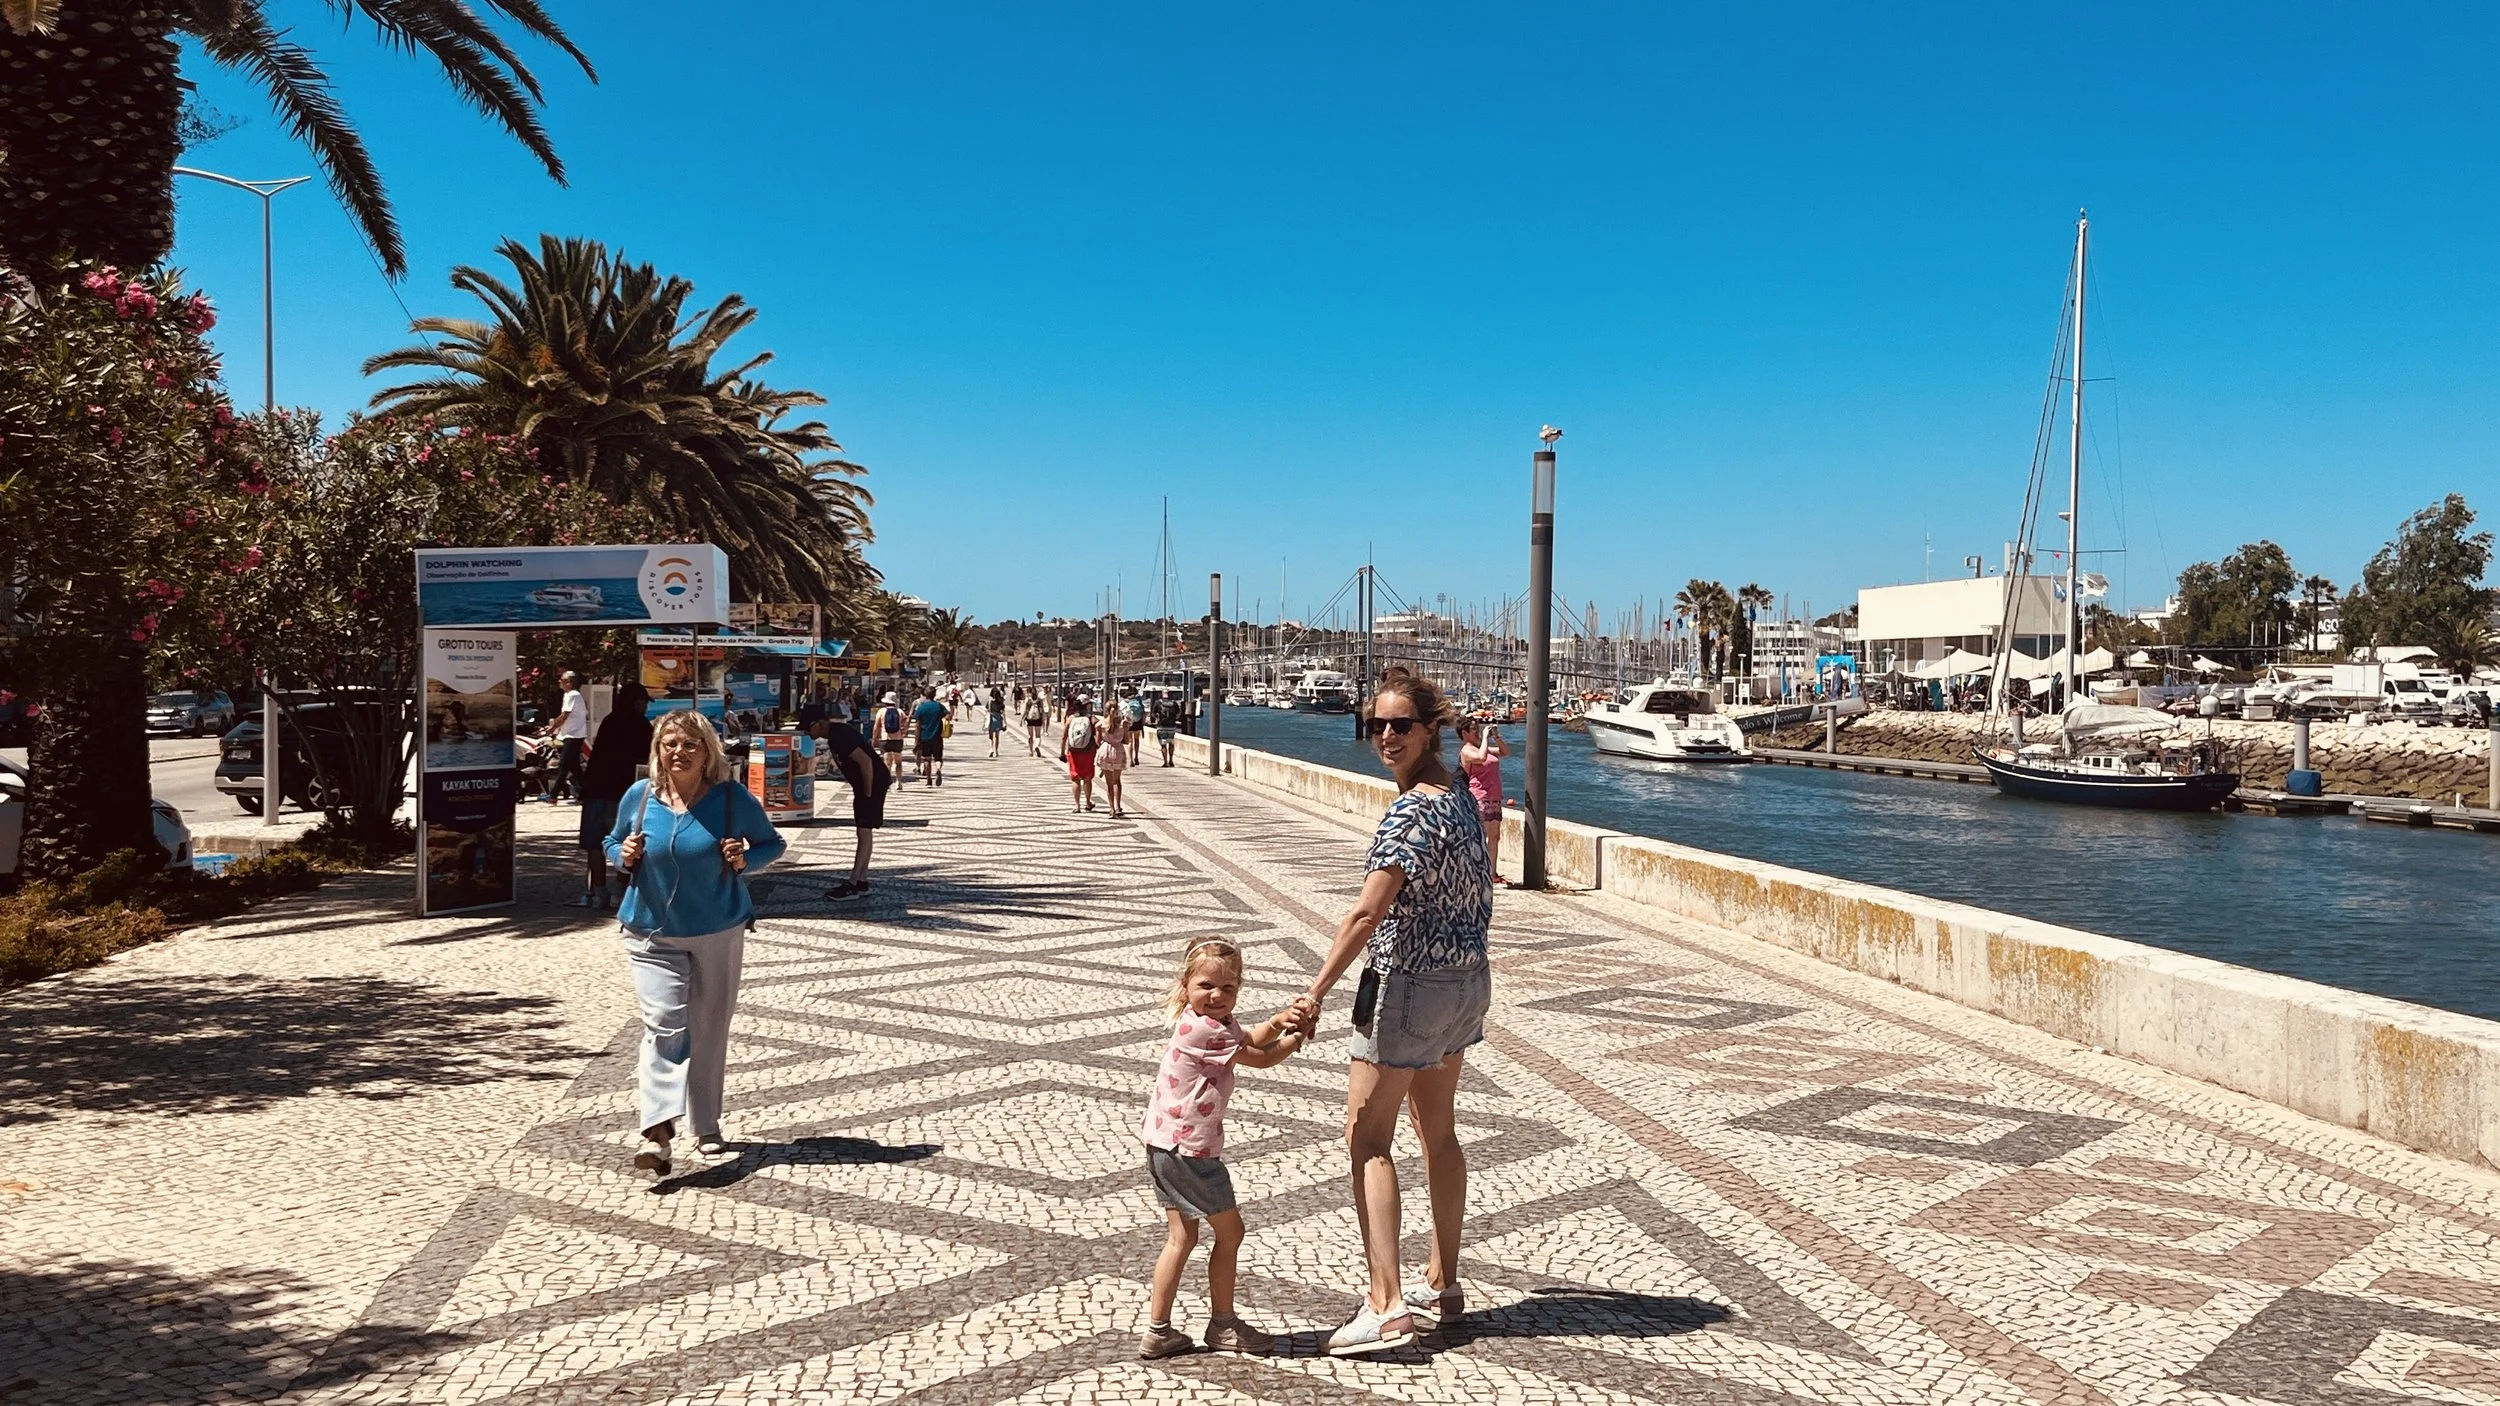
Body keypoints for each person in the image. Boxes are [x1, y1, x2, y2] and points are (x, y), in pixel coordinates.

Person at [1287, 669, 1494, 1356]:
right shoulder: (1461, 797)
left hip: (1408, 985)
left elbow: (1367, 911)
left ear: (1430, 726)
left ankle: (1386, 1305)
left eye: (1400, 724)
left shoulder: (1409, 812)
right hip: (1465, 983)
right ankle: (1445, 1282)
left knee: (1367, 1138)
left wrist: (1313, 992)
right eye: (1375, 725)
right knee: (1438, 1131)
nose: (1384, 736)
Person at [606, 711, 788, 1177]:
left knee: (709, 1026)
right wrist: (620, 854)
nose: (679, 752)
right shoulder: (641, 796)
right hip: (650, 930)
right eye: (670, 744)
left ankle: (705, 1123)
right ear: (658, 750)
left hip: (717, 927)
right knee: (665, 1023)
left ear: (708, 752)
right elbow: (610, 840)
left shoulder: (730, 799)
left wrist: (746, 858)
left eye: (690, 744)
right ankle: (658, 1129)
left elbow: (772, 843)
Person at [1137, 939, 1309, 1359]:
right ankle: (1223, 1324)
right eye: (1206, 986)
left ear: (1238, 989)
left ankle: (1159, 1330)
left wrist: (1279, 1020)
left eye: (1228, 988)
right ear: (1185, 985)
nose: (1216, 996)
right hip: (1190, 1152)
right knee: (1232, 1234)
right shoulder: (1204, 1029)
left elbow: (1248, 1036)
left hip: (1165, 1144)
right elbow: (1259, 1056)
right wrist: (1295, 1037)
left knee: (1181, 1238)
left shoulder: (1210, 1020)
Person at [572, 682, 653, 910]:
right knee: (628, 843)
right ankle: (621, 890)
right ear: (636, 701)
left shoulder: (609, 721)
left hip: (596, 789)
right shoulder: (641, 725)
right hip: (624, 794)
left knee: (595, 844)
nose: (646, 706)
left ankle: (599, 892)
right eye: (644, 701)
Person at [818, 710, 891, 901]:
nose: (807, 732)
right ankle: (862, 881)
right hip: (869, 784)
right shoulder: (835, 733)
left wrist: (866, 792)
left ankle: (852, 884)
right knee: (864, 833)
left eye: (809, 726)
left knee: (863, 832)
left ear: (820, 723)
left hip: (873, 783)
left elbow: (865, 762)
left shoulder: (838, 735)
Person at [1456, 717, 1509, 886]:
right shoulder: (1467, 751)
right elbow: (1480, 757)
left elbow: (1504, 752)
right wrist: (1485, 738)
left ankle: (1491, 873)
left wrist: (1496, 737)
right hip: (1479, 798)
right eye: (1473, 729)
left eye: (1478, 728)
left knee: (1494, 837)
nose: (1477, 732)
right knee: (1480, 837)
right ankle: (1476, 871)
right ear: (1464, 733)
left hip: (1494, 797)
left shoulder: (1483, 747)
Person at [544, 670, 588, 802]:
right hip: (572, 734)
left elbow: (565, 715)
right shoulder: (570, 695)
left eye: (562, 680)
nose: (559, 682)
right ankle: (585, 795)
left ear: (569, 682)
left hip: (573, 736)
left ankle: (553, 796)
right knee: (575, 768)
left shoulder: (572, 695)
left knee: (563, 765)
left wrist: (552, 729)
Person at [1062, 697, 1101, 812]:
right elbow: (1101, 727)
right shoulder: (1091, 718)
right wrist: (1098, 743)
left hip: (1073, 751)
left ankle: (1077, 805)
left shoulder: (1071, 718)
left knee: (1075, 778)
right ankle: (1088, 802)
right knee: (1087, 778)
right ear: (1087, 705)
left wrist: (1062, 752)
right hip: (1088, 751)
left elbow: (1064, 736)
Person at [1097, 705, 1130, 818]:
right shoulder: (1122, 725)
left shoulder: (1101, 724)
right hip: (1118, 752)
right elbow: (1126, 741)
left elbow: (1098, 741)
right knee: (1117, 781)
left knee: (1109, 783)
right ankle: (1118, 806)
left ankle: (1111, 809)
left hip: (1105, 751)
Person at [912, 686, 949, 786]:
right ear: (934, 695)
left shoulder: (921, 707)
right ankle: (938, 769)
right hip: (937, 736)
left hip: (925, 737)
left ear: (925, 695)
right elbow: (948, 715)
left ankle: (929, 780)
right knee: (938, 758)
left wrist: (916, 739)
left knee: (927, 759)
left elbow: (917, 725)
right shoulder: (939, 706)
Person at [873, 690, 908, 779]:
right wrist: (903, 734)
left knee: (887, 762)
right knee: (898, 762)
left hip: (885, 739)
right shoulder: (900, 711)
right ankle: (899, 782)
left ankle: (886, 781)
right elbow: (905, 725)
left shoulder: (881, 711)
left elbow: (876, 727)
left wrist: (875, 739)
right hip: (898, 740)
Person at [1122, 690, 1147, 766]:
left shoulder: (1127, 702)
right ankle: (1136, 757)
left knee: (1130, 741)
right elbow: (1144, 714)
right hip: (1138, 723)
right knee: (1136, 740)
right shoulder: (1139, 702)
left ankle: (1131, 760)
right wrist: (1142, 723)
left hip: (1129, 723)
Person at [1152, 693, 1179, 766]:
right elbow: (1178, 714)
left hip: (1161, 726)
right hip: (1172, 726)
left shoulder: (1158, 703)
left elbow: (1153, 714)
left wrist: (1157, 719)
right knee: (1171, 743)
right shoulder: (1174, 703)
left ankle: (1165, 762)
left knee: (1163, 745)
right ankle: (1171, 760)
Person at [1023, 690, 1049, 758]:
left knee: (1030, 736)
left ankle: (1030, 751)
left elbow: (1026, 711)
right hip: (1038, 719)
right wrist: (1043, 720)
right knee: (1038, 735)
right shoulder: (1039, 701)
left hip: (1030, 719)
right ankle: (1036, 746)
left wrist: (1022, 719)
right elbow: (1042, 711)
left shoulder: (1029, 701)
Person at [985, 686, 1006, 759]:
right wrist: (1005, 723)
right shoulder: (1000, 702)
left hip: (991, 719)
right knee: (997, 736)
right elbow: (1003, 713)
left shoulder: (990, 702)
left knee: (990, 736)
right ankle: (996, 751)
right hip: (998, 719)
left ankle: (991, 749)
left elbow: (987, 710)